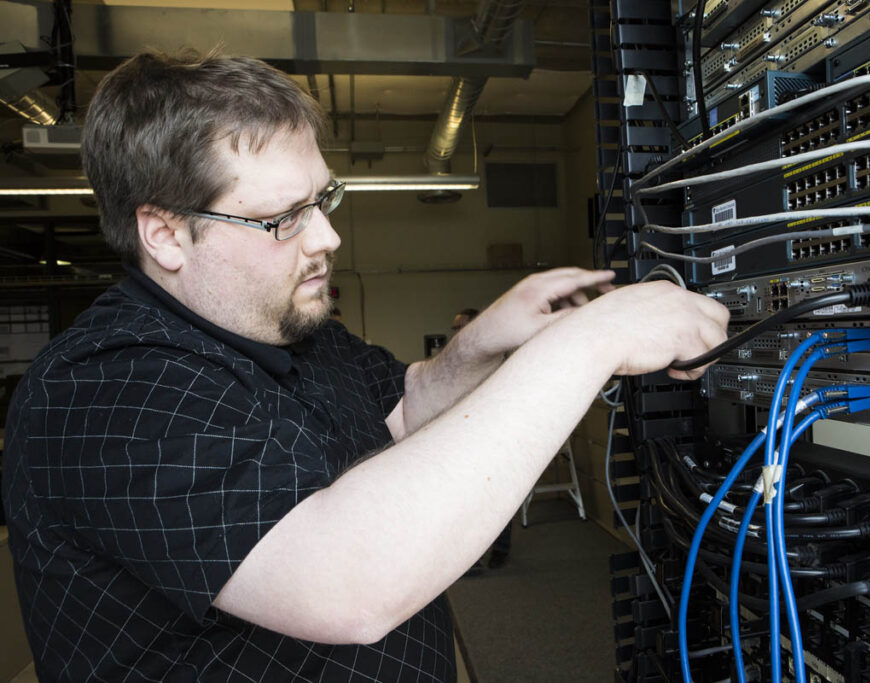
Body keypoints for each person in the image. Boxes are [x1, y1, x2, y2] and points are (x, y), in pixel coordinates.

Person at [1, 50, 729, 682]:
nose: (328, 235)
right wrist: (592, 340)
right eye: (283, 217)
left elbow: (407, 406)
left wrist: (488, 343)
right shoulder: (104, 388)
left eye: (323, 199)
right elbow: (347, 583)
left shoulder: (290, 326)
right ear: (164, 233)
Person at [450, 307, 511, 570]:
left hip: (494, 436)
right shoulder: (455, 359)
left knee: (498, 498)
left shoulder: (494, 354)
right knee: (467, 501)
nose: (455, 332)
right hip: (464, 437)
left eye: (460, 326)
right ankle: (471, 557)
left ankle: (500, 549)